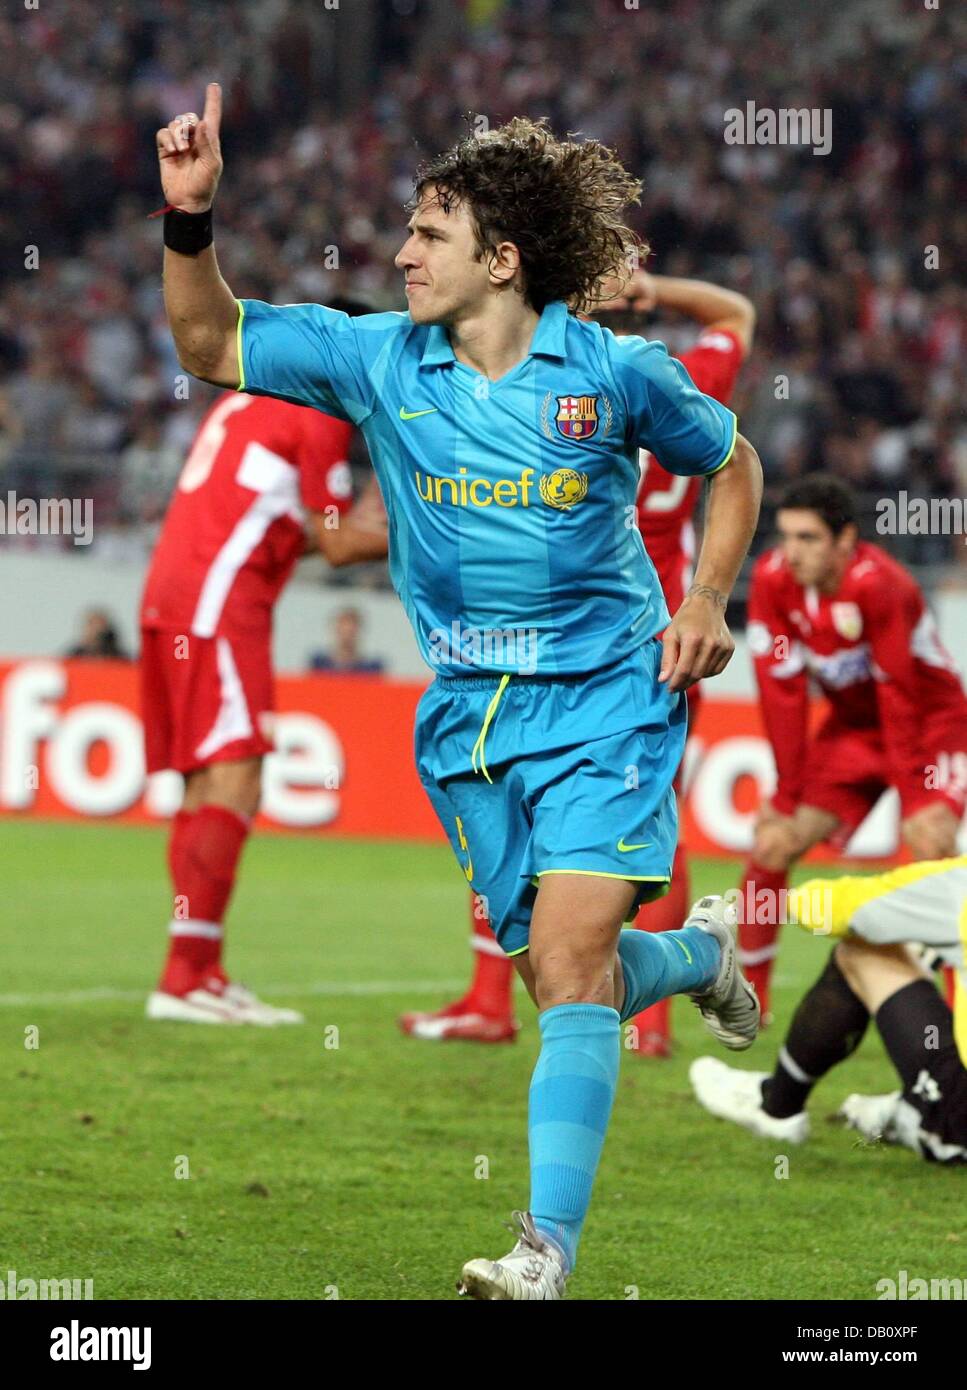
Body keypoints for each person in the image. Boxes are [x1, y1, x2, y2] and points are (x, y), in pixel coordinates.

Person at [156, 86, 764, 1298]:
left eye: (429, 231)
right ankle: (696, 958)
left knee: (575, 950)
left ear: (502, 256)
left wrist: (704, 596)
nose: (400, 251)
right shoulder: (379, 359)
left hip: (611, 696)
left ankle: (544, 1250)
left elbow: (733, 460)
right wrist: (189, 220)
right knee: (557, 966)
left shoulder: (616, 371)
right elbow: (210, 345)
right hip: (471, 715)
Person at [398, 268, 755, 1051]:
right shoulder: (688, 371)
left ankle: (510, 999)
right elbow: (733, 309)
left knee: (559, 815)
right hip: (657, 613)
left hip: (611, 621)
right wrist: (658, 286)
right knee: (609, 823)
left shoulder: (578, 378)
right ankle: (640, 1010)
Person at [141, 363, 388, 1026]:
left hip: (176, 592)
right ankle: (186, 977)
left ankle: (194, 971)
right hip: (220, 602)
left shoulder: (257, 402)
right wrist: (441, 531)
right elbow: (336, 543)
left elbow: (290, 522)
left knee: (203, 784)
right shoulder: (323, 409)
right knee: (238, 775)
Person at [737, 474, 967, 1018]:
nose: (791, 551)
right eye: (786, 535)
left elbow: (899, 693)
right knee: (773, 842)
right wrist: (788, 791)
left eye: (808, 538)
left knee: (932, 843)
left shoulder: (883, 584)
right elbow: (781, 692)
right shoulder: (772, 580)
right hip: (852, 732)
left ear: (845, 541)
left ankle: (955, 1013)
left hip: (929, 727)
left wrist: (915, 797)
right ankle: (748, 1001)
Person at [691, 857, 967, 1164]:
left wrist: (767, 903)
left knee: (860, 950)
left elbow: (836, 909)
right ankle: (906, 1109)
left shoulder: (956, 885)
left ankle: (778, 1108)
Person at [308, 607, 385, 674]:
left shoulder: (371, 668)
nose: (347, 636)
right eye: (343, 630)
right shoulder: (319, 663)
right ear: (336, 630)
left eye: (351, 631)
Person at [65, 609, 130, 660]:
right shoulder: (73, 656)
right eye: (92, 626)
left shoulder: (120, 658)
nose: (95, 632)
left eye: (100, 628)